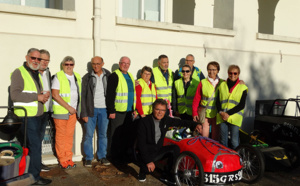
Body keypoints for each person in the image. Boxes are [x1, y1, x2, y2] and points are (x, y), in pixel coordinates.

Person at [10, 48, 52, 185]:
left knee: (33, 147)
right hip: (26, 117)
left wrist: (42, 97)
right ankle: (34, 178)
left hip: (38, 116)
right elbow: (15, 95)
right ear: (27, 57)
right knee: (35, 147)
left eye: (38, 59)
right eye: (33, 58)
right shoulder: (19, 72)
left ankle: (28, 174)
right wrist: (37, 96)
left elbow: (35, 94)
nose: (36, 61)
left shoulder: (36, 73)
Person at [137, 99, 202, 183]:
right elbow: (141, 144)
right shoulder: (144, 122)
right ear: (153, 109)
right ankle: (142, 171)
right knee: (147, 169)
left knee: (175, 148)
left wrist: (195, 124)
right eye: (157, 109)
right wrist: (148, 161)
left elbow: (181, 122)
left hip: (157, 150)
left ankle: (167, 175)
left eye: (163, 110)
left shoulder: (165, 120)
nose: (160, 112)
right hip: (146, 152)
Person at [81, 56, 111, 167]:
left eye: (98, 63)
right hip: (90, 110)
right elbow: (83, 96)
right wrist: (84, 113)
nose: (96, 66)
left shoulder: (109, 76)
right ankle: (88, 158)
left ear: (103, 63)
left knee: (103, 135)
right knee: (88, 135)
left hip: (104, 110)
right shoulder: (87, 77)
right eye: (94, 64)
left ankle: (102, 156)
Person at [51, 56, 81, 169]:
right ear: (63, 65)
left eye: (71, 64)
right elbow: (55, 95)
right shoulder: (58, 76)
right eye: (66, 64)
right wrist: (69, 107)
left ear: (74, 65)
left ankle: (69, 158)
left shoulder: (77, 76)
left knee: (69, 136)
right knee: (61, 137)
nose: (69, 66)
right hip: (61, 112)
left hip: (73, 112)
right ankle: (62, 159)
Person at [106, 56, 137, 162]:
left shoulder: (130, 76)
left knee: (125, 134)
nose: (125, 65)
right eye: (123, 63)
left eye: (127, 63)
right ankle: (114, 157)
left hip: (128, 111)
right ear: (119, 64)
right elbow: (110, 94)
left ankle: (123, 156)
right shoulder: (114, 76)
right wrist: (111, 110)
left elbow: (132, 93)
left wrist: (134, 108)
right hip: (118, 112)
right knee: (115, 135)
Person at [216, 65, 248, 149]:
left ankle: (237, 160)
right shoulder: (222, 85)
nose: (232, 75)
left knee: (234, 142)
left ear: (238, 74)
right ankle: (225, 160)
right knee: (223, 141)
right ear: (228, 73)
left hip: (234, 118)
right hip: (222, 116)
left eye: (235, 73)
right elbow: (217, 102)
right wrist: (221, 112)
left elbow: (241, 105)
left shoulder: (243, 87)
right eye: (230, 73)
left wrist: (227, 114)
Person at [192, 61, 223, 140]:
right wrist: (194, 112)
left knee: (216, 137)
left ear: (218, 71)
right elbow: (196, 99)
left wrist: (240, 82)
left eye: (214, 69)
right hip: (204, 113)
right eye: (209, 69)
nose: (211, 71)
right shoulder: (203, 82)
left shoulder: (222, 82)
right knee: (204, 136)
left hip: (217, 114)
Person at [38, 49, 52, 172]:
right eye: (43, 59)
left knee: (41, 137)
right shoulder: (33, 72)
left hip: (46, 110)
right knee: (34, 139)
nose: (45, 62)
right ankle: (35, 163)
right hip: (36, 111)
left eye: (47, 60)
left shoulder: (47, 72)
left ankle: (38, 161)